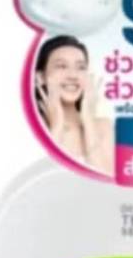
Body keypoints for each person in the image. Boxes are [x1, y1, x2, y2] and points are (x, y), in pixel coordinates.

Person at [34, 35, 113, 175]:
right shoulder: (32, 129)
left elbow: (104, 182)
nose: (73, 75)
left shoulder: (103, 127)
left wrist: (88, 121)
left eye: (81, 67)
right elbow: (39, 179)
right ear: (40, 77)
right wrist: (57, 126)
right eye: (61, 66)